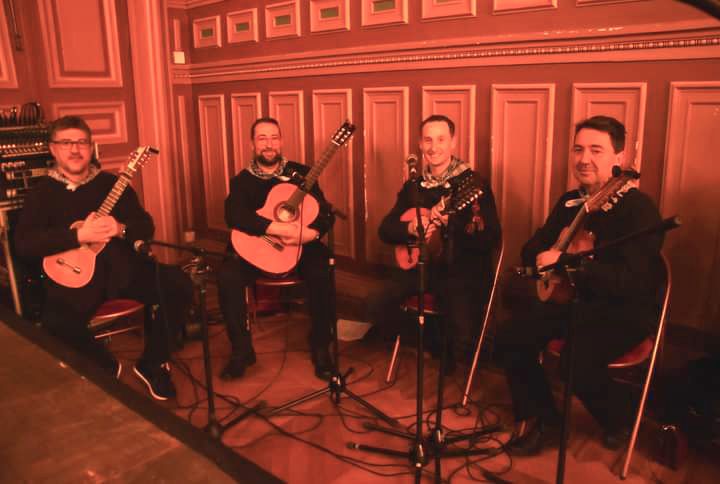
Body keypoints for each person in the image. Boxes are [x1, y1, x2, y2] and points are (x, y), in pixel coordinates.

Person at [496, 115, 664, 455]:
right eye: (578, 149)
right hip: (571, 300)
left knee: (575, 360)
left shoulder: (639, 210)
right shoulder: (569, 202)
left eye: (596, 150)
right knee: (510, 337)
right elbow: (531, 248)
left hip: (622, 311)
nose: (584, 158)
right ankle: (545, 419)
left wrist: (573, 263)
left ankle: (620, 418)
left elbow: (629, 282)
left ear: (619, 157)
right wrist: (551, 251)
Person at [14, 115, 192, 401]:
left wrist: (121, 228)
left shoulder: (113, 184)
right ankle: (105, 366)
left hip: (124, 270)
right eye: (66, 143)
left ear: (91, 147)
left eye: (82, 142)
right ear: (53, 149)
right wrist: (77, 236)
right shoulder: (41, 194)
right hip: (76, 277)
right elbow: (24, 243)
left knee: (179, 284)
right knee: (55, 322)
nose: (75, 149)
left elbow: (145, 226)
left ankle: (153, 362)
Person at [368, 114, 501, 368]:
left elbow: (491, 237)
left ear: (453, 142)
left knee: (462, 333)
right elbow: (385, 230)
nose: (433, 147)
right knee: (375, 304)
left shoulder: (473, 184)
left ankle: (446, 354)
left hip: (461, 268)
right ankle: (429, 343)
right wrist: (410, 228)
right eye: (428, 140)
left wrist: (452, 225)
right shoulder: (415, 186)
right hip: (421, 266)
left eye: (441, 139)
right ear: (420, 144)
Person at [217, 117, 335, 381]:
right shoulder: (242, 181)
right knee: (227, 277)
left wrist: (312, 233)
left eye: (274, 138)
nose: (269, 144)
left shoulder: (301, 174)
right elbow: (234, 215)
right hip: (257, 244)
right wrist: (274, 228)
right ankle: (241, 351)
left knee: (322, 270)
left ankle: (321, 347)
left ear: (281, 141)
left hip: (299, 242)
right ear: (252, 144)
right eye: (262, 138)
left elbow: (325, 213)